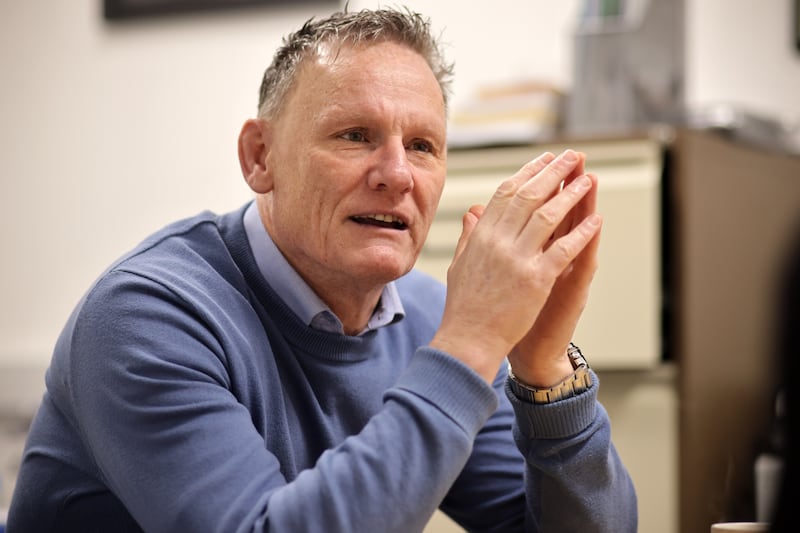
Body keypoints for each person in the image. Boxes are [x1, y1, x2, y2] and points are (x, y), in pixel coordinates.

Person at [8, 7, 637, 532]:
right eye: (355, 135)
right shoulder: (144, 315)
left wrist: (544, 371)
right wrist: (471, 344)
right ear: (260, 158)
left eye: (422, 146)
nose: (396, 174)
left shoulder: (419, 314)